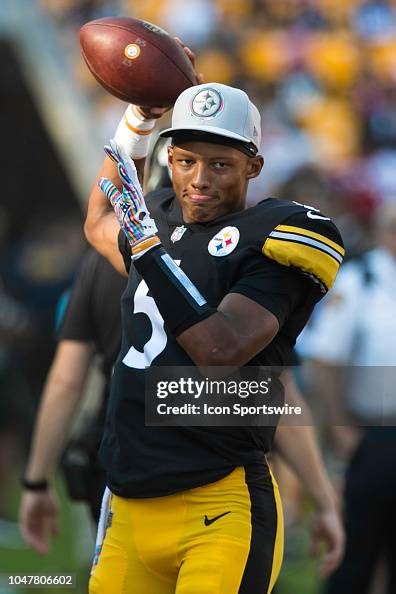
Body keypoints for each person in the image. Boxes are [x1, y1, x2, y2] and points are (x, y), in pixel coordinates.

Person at [83, 68, 344, 593]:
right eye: (185, 161)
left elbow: (219, 349)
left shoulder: (273, 241)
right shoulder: (155, 211)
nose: (199, 179)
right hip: (131, 503)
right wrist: (138, 118)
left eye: (221, 164)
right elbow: (97, 221)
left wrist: (148, 250)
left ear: (254, 167)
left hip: (219, 503)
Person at [300, 201, 396, 594]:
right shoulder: (361, 280)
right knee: (357, 553)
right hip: (371, 434)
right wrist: (342, 430)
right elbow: (326, 361)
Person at [19, 249, 126, 553]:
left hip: (120, 450)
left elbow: (67, 380)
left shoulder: (102, 259)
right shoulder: (229, 244)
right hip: (208, 452)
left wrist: (36, 481)